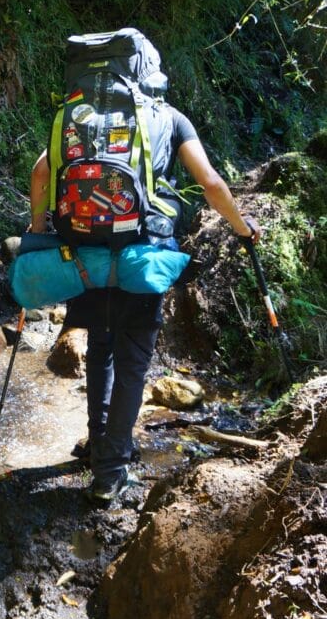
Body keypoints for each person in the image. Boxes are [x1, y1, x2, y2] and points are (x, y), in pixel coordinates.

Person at [29, 93, 262, 504]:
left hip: (85, 257)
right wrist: (242, 228)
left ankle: (100, 444)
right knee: (133, 361)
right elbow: (210, 182)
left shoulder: (79, 118)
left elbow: (40, 173)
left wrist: (40, 231)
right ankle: (110, 472)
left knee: (101, 346)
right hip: (142, 258)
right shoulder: (168, 117)